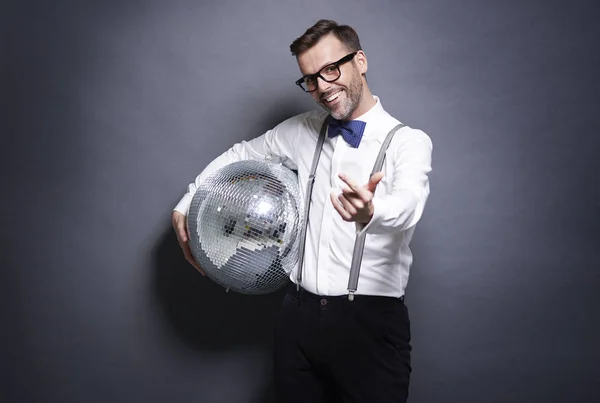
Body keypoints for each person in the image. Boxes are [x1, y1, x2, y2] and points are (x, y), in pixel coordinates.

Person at [172, 19, 432, 403]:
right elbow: (242, 153)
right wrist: (188, 202)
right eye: (310, 79)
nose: (322, 87)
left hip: (371, 324)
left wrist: (372, 210)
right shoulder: (302, 130)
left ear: (360, 61)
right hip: (298, 316)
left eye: (331, 69)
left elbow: (409, 203)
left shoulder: (407, 142)